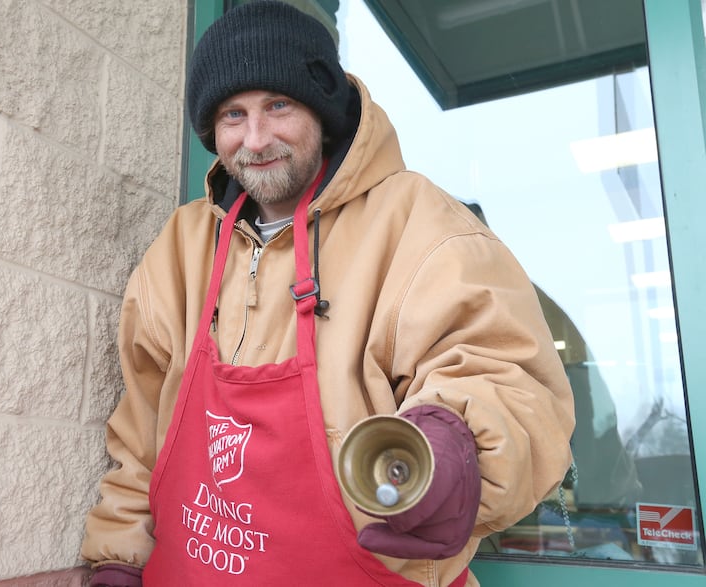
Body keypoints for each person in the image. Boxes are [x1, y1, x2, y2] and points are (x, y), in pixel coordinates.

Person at [80, 2, 575, 585]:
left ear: (322, 107)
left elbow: (507, 381)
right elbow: (141, 428)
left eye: (278, 105)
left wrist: (453, 453)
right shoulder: (182, 245)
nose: (256, 138)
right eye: (233, 114)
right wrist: (118, 558)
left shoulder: (418, 225)